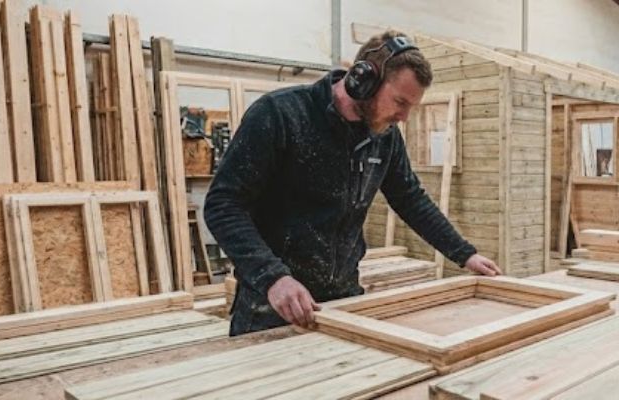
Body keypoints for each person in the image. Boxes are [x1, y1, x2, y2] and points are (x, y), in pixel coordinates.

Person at [204, 31, 501, 336]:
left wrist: (465, 254)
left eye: (411, 106)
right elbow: (223, 206)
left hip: (342, 300)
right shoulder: (281, 115)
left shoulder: (384, 136)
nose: (404, 116)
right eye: (400, 102)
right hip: (272, 305)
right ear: (363, 80)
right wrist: (272, 277)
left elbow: (410, 199)